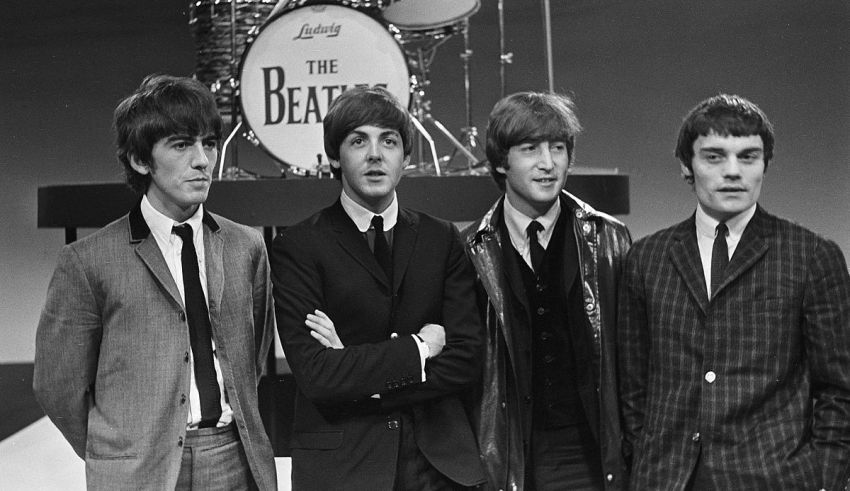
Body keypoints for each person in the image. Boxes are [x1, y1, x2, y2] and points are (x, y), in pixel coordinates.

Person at [33, 74, 277, 490]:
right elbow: (59, 386)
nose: (202, 160)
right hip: (137, 470)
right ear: (140, 160)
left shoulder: (246, 246)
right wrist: (116, 451)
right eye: (182, 145)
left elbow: (252, 358)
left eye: (209, 144)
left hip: (232, 460)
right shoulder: (88, 261)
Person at [618, 93, 850, 489]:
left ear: (764, 165)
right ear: (686, 167)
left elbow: (839, 390)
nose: (733, 171)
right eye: (714, 156)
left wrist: (823, 479)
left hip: (773, 478)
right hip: (667, 478)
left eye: (748, 157)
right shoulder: (646, 257)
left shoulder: (811, 254)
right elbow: (633, 386)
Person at [270, 86, 485, 490]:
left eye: (389, 141)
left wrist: (360, 379)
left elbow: (466, 360)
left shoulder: (443, 240)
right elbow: (317, 375)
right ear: (335, 155)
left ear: (405, 156)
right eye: (358, 141)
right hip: (344, 467)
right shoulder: (297, 247)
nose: (375, 154)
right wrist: (420, 349)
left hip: (440, 466)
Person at [463, 91, 632, 490]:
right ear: (502, 161)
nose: (548, 163)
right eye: (530, 149)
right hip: (510, 457)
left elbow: (633, 356)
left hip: (592, 455)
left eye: (558, 148)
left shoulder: (610, 238)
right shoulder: (472, 249)